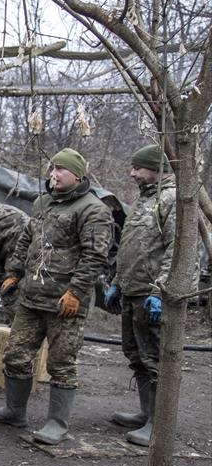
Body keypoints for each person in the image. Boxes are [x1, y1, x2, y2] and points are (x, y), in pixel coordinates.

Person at [0, 148, 113, 445]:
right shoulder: (44, 203)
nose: (53, 175)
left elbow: (95, 256)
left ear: (77, 174)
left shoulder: (93, 210)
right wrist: (12, 272)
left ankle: (57, 423)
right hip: (31, 297)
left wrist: (76, 292)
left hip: (64, 303)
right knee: (15, 355)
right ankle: (14, 411)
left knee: (61, 363)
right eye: (51, 169)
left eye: (60, 170)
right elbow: (26, 239)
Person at [104, 144, 174, 447]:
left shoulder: (172, 200)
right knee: (137, 356)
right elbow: (132, 247)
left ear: (157, 169)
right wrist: (117, 282)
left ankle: (159, 425)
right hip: (133, 292)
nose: (132, 173)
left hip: (151, 296)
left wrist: (161, 291)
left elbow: (178, 250)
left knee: (156, 359)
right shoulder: (146, 201)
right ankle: (146, 413)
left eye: (138, 168)